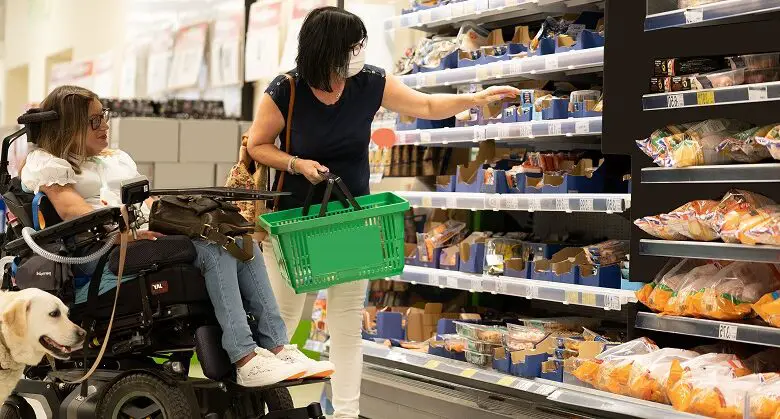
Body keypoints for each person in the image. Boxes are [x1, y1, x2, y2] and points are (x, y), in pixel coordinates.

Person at [247, 6, 521, 418]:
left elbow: (425, 106)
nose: (359, 52)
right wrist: (296, 163)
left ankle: (346, 413)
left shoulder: (370, 82)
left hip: (351, 219)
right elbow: (257, 145)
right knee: (282, 321)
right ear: (326, 49)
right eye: (352, 45)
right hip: (294, 224)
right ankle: (265, 411)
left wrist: (477, 97)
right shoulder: (285, 90)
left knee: (346, 324)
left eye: (360, 44)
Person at [19, 85, 334, 388]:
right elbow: (74, 212)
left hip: (136, 238)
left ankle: (278, 347)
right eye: (94, 120)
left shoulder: (115, 159)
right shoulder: (51, 165)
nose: (104, 126)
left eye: (105, 116)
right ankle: (245, 357)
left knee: (239, 242)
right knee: (214, 251)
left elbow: (147, 202)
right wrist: (127, 231)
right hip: (102, 254)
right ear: (70, 126)